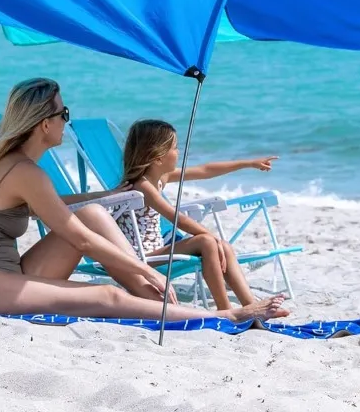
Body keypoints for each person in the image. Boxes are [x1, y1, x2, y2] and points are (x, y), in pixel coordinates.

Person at [0, 77, 288, 323]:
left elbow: (54, 205)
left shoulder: (20, 168)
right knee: (107, 295)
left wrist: (106, 196)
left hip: (9, 274)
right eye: (63, 113)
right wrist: (147, 268)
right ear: (44, 124)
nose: (66, 121)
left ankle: (157, 301)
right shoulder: (25, 172)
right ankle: (223, 316)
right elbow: (80, 238)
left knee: (96, 213)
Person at [114, 118, 289, 315]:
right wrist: (212, 238)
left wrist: (248, 163)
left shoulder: (159, 178)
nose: (178, 152)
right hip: (141, 259)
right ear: (158, 157)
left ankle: (250, 305)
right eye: (175, 148)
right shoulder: (142, 185)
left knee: (225, 246)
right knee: (207, 242)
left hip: (157, 251)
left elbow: (205, 170)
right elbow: (177, 218)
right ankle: (226, 310)